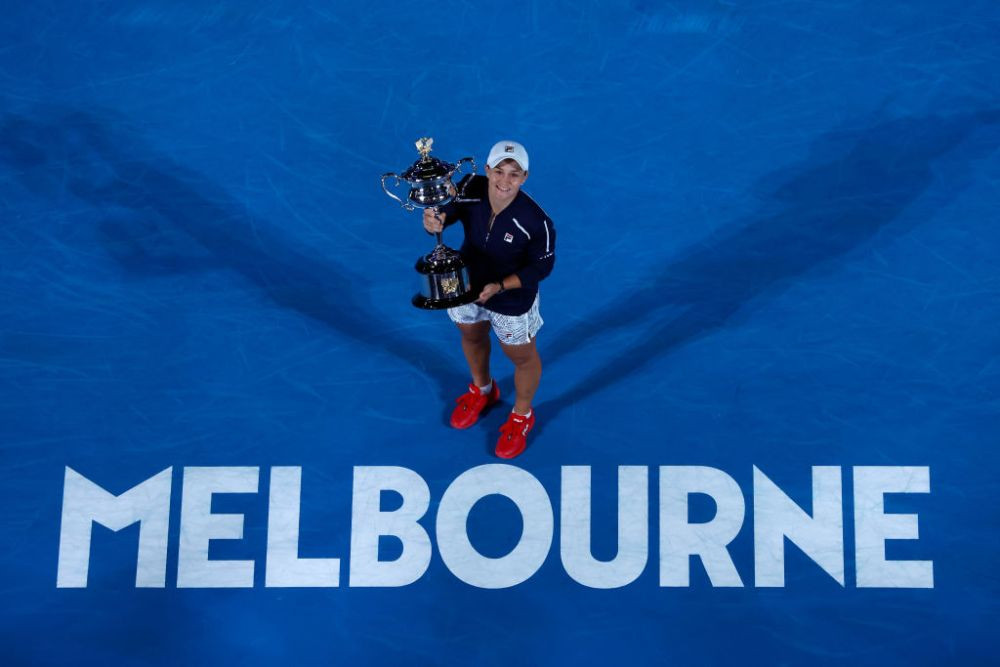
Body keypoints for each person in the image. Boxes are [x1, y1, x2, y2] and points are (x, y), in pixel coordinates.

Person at [423, 140, 556, 459]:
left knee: (521, 356)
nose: (505, 181)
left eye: (514, 174)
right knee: (470, 334)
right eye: (499, 171)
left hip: (511, 298)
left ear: (525, 177)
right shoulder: (470, 186)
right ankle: (483, 390)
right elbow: (446, 214)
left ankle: (522, 416)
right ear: (487, 170)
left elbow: (542, 267)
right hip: (466, 283)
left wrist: (500, 285)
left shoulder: (537, 222)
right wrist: (433, 223)